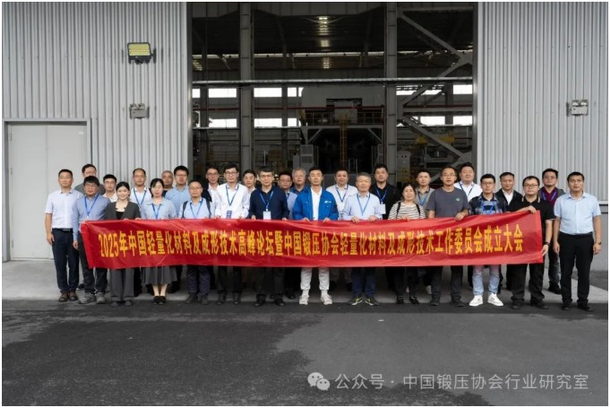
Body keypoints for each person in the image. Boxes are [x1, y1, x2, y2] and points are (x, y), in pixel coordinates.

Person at [553, 172, 602, 312]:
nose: (576, 183)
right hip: (566, 239)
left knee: (584, 272)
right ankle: (566, 301)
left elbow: (597, 220)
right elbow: (557, 221)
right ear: (568, 183)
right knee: (565, 271)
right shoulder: (561, 200)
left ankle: (583, 301)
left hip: (585, 240)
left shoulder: (591, 200)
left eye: (579, 180)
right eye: (572, 181)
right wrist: (555, 241)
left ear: (583, 183)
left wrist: (598, 242)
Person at [292, 167, 338, 306]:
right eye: (313, 175)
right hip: (307, 233)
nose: (316, 177)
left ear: (322, 178)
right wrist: (301, 219)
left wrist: (331, 219)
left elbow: (335, 213)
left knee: (323, 265)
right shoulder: (302, 195)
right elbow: (296, 213)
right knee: (307, 265)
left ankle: (324, 293)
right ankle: (305, 293)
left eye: (318, 175)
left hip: (324, 234)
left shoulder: (329, 195)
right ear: (309, 178)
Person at [426, 165, 469, 307]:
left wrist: (462, 213)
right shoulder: (435, 194)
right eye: (445, 174)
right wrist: (431, 230)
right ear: (441, 178)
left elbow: (467, 210)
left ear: (456, 178)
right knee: (436, 268)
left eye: (451, 174)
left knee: (457, 269)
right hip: (439, 236)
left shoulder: (461, 193)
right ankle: (435, 297)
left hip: (457, 236)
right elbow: (431, 213)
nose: (448, 177)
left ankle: (456, 298)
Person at [508, 176, 554, 310]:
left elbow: (549, 225)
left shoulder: (546, 204)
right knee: (518, 273)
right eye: (527, 185)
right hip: (519, 243)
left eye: (533, 185)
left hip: (538, 244)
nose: (530, 187)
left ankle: (537, 299)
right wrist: (525, 210)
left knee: (537, 273)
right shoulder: (515, 203)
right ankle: (517, 299)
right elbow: (508, 218)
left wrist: (547, 243)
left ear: (538, 187)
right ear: (523, 187)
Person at [248, 167, 290, 307]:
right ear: (259, 178)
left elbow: (285, 209)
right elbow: (251, 210)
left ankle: (278, 296)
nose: (266, 178)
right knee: (260, 266)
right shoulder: (255, 194)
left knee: (278, 267)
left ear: (273, 178)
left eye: (268, 176)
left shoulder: (279, 193)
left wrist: (284, 217)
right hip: (260, 234)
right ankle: (260, 296)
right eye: (263, 176)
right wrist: (252, 215)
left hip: (277, 234)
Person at [467, 174, 507, 307]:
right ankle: (477, 295)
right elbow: (468, 221)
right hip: (479, 240)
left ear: (494, 185)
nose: (487, 186)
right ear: (481, 185)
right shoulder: (474, 201)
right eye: (485, 183)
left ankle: (492, 294)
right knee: (477, 269)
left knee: (495, 270)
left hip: (496, 240)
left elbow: (508, 220)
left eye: (490, 183)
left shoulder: (501, 201)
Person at [343, 173, 383, 306]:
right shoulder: (350, 199)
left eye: (366, 181)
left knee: (370, 268)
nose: (363, 184)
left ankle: (370, 295)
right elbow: (343, 215)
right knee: (356, 268)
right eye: (360, 181)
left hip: (371, 238)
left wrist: (376, 217)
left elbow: (381, 216)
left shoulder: (375, 199)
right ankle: (356, 295)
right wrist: (351, 218)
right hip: (355, 238)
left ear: (370, 184)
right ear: (356, 184)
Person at [44, 169, 83, 302]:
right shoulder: (52, 196)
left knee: (74, 263)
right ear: (58, 180)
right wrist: (48, 232)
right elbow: (48, 215)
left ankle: (72, 290)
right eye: (62, 177)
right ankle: (63, 291)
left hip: (73, 233)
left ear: (72, 180)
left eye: (68, 177)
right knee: (60, 263)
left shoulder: (78, 196)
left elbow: (81, 215)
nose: (65, 179)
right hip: (57, 233)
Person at [214, 163, 250, 305]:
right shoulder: (219, 189)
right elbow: (217, 206)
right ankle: (222, 292)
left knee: (237, 263)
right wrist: (217, 215)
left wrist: (242, 216)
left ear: (237, 174)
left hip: (237, 228)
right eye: (227, 173)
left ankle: (236, 292)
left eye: (233, 172)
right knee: (222, 263)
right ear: (224, 175)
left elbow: (246, 206)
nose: (230, 175)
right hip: (222, 229)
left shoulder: (244, 190)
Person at [71, 176, 110, 304]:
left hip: (99, 236)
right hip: (83, 236)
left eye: (93, 185)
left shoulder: (105, 201)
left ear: (98, 187)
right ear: (84, 187)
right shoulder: (78, 202)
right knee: (86, 264)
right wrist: (75, 238)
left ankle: (100, 292)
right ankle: (89, 292)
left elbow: (109, 220)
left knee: (101, 264)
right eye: (88, 185)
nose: (90, 188)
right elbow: (75, 220)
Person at [140, 178, 178, 304]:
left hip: (165, 239)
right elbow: (142, 222)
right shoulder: (145, 204)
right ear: (150, 189)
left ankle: (163, 292)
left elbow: (174, 221)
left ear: (163, 189)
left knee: (165, 266)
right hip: (150, 239)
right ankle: (156, 292)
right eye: (154, 187)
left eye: (159, 187)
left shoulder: (169, 204)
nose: (157, 190)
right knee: (152, 265)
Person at [103, 181, 141, 306]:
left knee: (129, 270)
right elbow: (105, 225)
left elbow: (138, 225)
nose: (122, 193)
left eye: (125, 191)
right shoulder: (110, 206)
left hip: (129, 242)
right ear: (116, 192)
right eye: (120, 191)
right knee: (115, 270)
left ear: (129, 192)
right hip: (113, 242)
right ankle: (115, 297)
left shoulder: (134, 206)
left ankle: (128, 297)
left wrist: (133, 222)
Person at [388, 183, 426, 305]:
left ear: (414, 193)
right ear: (402, 193)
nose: (409, 193)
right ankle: (399, 294)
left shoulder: (419, 208)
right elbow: (389, 223)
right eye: (406, 191)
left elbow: (424, 226)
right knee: (398, 270)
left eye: (411, 191)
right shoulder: (397, 206)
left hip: (414, 244)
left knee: (413, 271)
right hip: (399, 243)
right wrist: (400, 221)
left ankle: (413, 294)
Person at [180, 179, 215, 305]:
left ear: (201, 190)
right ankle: (192, 293)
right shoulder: (184, 205)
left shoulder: (209, 204)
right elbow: (179, 223)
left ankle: (204, 294)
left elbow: (215, 223)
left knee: (203, 269)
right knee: (191, 269)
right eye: (192, 188)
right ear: (189, 191)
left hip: (204, 241)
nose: (194, 190)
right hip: (189, 241)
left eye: (197, 188)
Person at [369, 163, 400, 292]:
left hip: (390, 227)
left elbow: (399, 208)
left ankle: (392, 284)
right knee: (371, 255)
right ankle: (370, 287)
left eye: (383, 172)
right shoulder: (369, 190)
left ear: (387, 175)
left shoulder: (394, 190)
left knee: (391, 255)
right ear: (374, 175)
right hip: (372, 228)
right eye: (378, 173)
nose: (380, 175)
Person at [326, 168, 357, 292]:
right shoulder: (329, 190)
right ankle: (333, 279)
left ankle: (349, 279)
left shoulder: (354, 190)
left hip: (350, 225)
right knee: (334, 251)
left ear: (348, 178)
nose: (341, 178)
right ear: (335, 178)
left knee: (349, 251)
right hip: (333, 225)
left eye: (344, 175)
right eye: (339, 175)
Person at [165, 165, 191, 293]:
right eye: (179, 175)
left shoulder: (191, 191)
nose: (181, 178)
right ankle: (176, 283)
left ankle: (192, 285)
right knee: (175, 257)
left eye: (183, 175)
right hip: (173, 228)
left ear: (187, 177)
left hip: (190, 229)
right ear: (175, 177)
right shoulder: (169, 193)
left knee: (191, 256)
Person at [540, 168, 565, 294]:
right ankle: (537, 282)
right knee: (540, 258)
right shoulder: (538, 193)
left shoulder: (562, 194)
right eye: (546, 177)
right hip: (540, 230)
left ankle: (554, 283)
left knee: (555, 258)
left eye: (552, 177)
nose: (549, 179)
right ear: (542, 179)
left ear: (557, 179)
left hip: (557, 230)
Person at [278, 170, 299, 299]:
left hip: (292, 232)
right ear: (278, 182)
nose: (285, 183)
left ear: (291, 183)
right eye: (282, 180)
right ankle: (278, 289)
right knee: (279, 263)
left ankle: (290, 288)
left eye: (288, 180)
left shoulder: (296, 197)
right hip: (277, 232)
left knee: (292, 262)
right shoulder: (273, 195)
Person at [415, 170, 435, 295]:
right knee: (414, 257)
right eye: (420, 177)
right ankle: (414, 283)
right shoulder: (411, 191)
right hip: (414, 230)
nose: (423, 179)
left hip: (430, 230)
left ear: (430, 179)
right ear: (417, 179)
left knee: (429, 257)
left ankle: (428, 283)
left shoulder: (436, 193)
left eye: (426, 177)